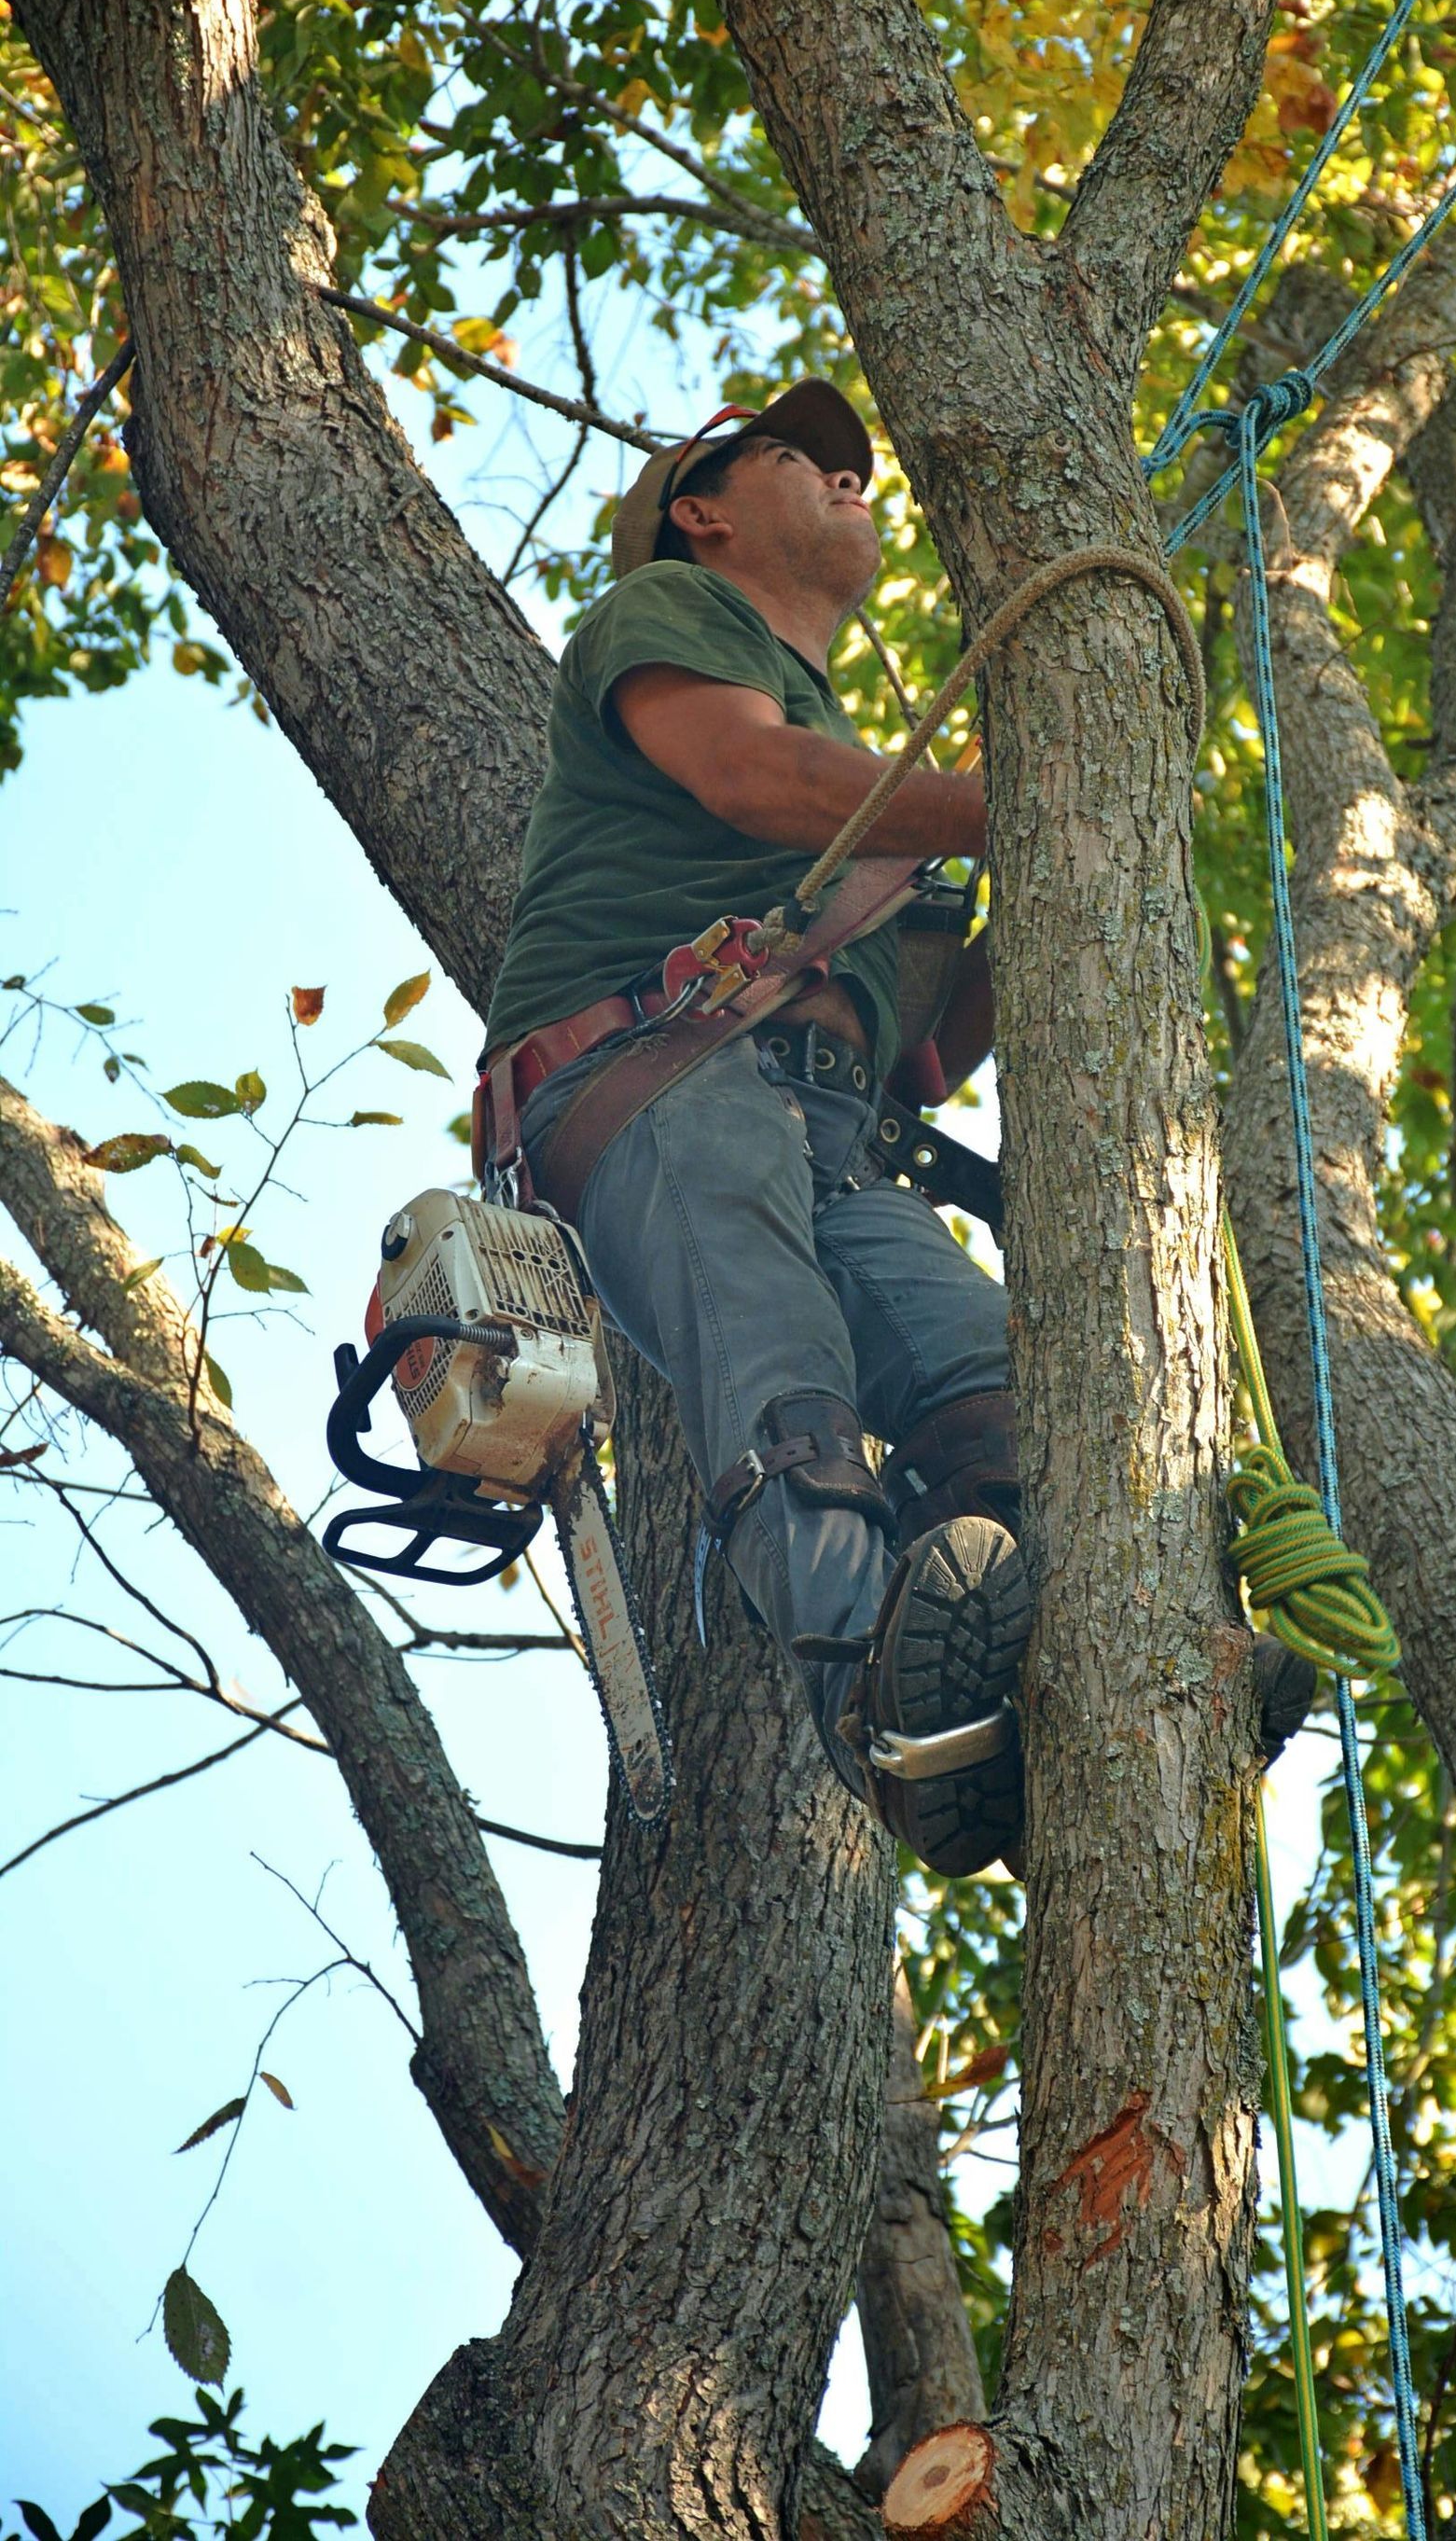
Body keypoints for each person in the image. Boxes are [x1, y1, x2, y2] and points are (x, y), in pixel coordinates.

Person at [478, 382, 1030, 1877]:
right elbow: (752, 777)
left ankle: (1064, 1680)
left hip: (836, 1127)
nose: (852, 477)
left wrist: (1046, 891)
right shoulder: (667, 609)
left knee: (996, 1390)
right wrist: (1011, 798)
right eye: (805, 460)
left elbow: (923, 1050)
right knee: (781, 1366)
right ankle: (869, 1694)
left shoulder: (859, 742)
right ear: (703, 511)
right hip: (658, 1077)